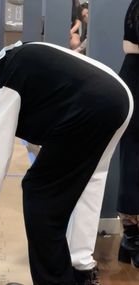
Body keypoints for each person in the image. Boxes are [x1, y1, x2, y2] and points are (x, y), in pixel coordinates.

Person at [0, 41, 133, 285]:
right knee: (89, 180)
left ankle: (54, 281)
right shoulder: (12, 60)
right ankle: (82, 270)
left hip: (91, 105)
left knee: (39, 193)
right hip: (119, 99)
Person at [117, 0, 139, 268]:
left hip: (131, 79)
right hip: (135, 80)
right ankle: (131, 238)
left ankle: (130, 238)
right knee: (132, 160)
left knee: (132, 158)